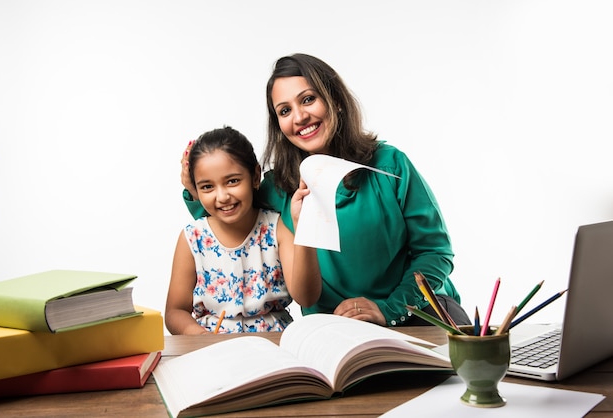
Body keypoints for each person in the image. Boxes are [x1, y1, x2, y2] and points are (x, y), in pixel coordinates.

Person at [181, 54, 470, 327]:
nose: (299, 117)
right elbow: (230, 218)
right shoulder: (278, 187)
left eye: (308, 99)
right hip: (333, 331)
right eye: (285, 110)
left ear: (336, 100)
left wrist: (389, 308)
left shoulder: (391, 165)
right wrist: (193, 190)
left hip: (418, 315)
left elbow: (435, 253)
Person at [166, 126, 321, 335]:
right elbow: (175, 311)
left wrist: (303, 229)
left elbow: (306, 297)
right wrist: (201, 337)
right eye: (207, 187)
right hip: (212, 348)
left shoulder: (277, 228)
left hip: (274, 344)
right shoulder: (193, 238)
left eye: (232, 181)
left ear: (255, 177)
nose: (222, 197)